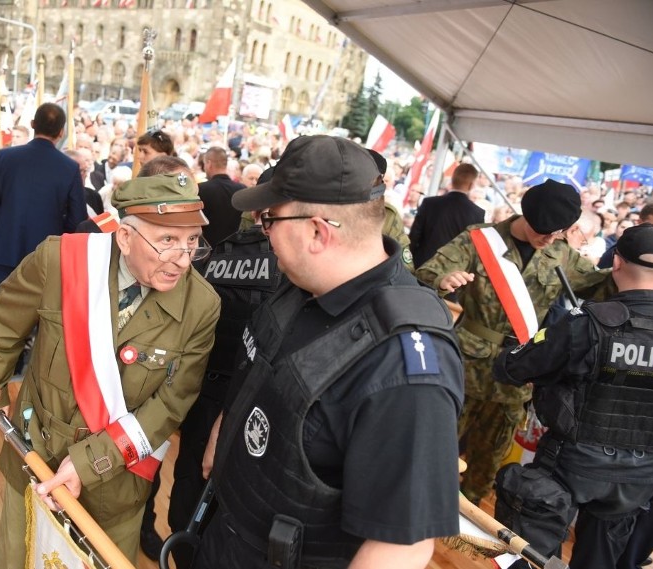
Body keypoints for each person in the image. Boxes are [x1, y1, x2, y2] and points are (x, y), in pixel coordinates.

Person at [193, 135, 464, 569]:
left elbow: (401, 544)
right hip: (228, 535)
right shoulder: (298, 286)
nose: (265, 234)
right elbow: (264, 368)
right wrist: (225, 430)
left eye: (270, 221)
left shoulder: (406, 370)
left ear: (318, 231)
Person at [0, 173, 221, 567]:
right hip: (38, 452)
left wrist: (91, 462)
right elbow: (3, 319)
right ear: (124, 237)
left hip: (115, 477)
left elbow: (173, 402)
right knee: (19, 555)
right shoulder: (62, 261)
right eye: (168, 241)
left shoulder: (201, 306)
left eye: (193, 242)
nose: (183, 259)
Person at [415, 178, 613, 505]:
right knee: (436, 442)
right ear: (525, 215)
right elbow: (428, 273)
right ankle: (419, 506)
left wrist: (630, 269)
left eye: (557, 233)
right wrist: (443, 280)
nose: (548, 239)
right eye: (542, 231)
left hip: (517, 371)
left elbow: (599, 287)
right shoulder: (480, 240)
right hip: (465, 364)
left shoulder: (561, 256)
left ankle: (469, 516)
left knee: (490, 457)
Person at [492, 223, 653, 569]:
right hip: (639, 477)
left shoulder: (588, 323)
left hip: (569, 464)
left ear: (617, 263)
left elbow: (512, 368)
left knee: (530, 558)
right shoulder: (590, 322)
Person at [166, 205, 283, 569]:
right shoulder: (293, 266)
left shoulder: (226, 248)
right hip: (255, 402)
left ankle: (182, 553)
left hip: (205, 386)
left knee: (189, 481)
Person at [0, 102, 87, 292]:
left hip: (6, 248)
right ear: (61, 132)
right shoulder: (69, 168)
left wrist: (8, 221)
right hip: (45, 254)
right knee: (35, 317)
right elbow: (77, 218)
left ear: (32, 124)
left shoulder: (5, 157)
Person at [409, 163, 484, 268]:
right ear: (471, 185)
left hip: (421, 264)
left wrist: (408, 263)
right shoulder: (477, 214)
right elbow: (473, 250)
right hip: (451, 272)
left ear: (452, 179)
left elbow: (414, 236)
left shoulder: (429, 203)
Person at [198, 146, 246, 246]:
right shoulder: (242, 189)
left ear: (209, 163)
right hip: (237, 251)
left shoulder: (201, 190)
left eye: (205, 164)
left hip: (209, 252)